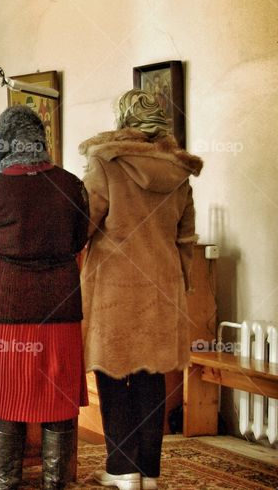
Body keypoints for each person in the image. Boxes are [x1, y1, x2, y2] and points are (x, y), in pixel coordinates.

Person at [0, 105, 90, 490]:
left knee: (7, 397)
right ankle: (56, 482)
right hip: (59, 310)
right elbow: (79, 239)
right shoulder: (71, 185)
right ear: (42, 141)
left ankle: (4, 481)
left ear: (2, 146)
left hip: (4, 309)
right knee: (58, 398)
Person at [80, 90, 202, 490]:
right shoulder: (179, 173)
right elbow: (186, 240)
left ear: (123, 119)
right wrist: (179, 284)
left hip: (115, 287)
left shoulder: (105, 163)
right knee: (152, 376)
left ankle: (121, 467)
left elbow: (84, 224)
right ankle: (149, 471)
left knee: (113, 374)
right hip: (163, 286)